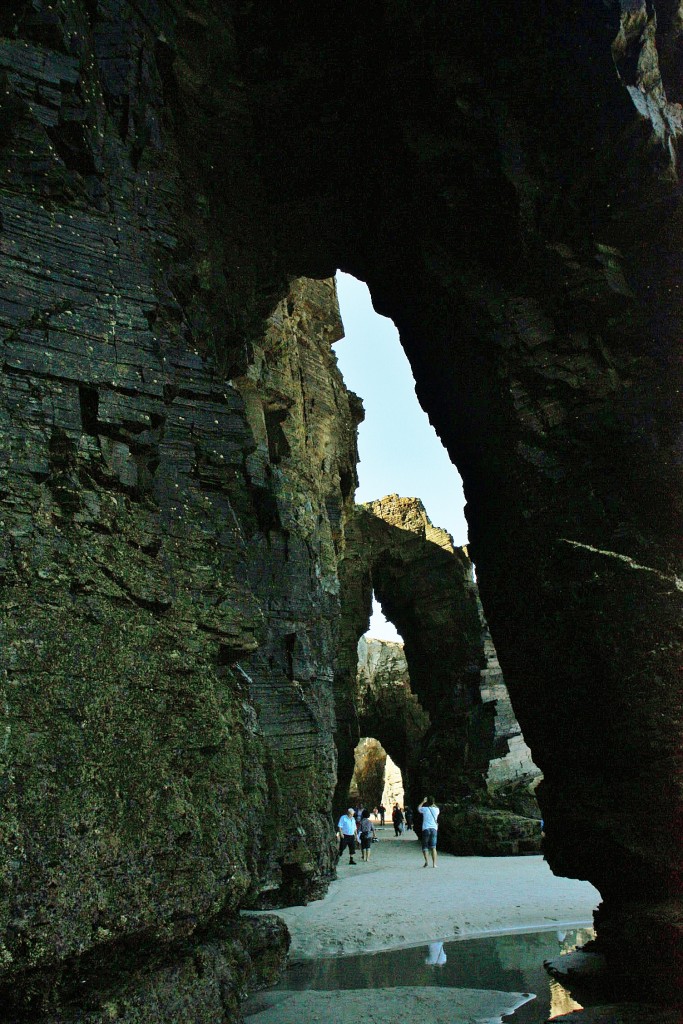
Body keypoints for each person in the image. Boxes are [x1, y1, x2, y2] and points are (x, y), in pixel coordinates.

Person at [418, 795, 439, 867]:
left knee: (425, 846)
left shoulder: (424, 809)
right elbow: (436, 807)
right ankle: (434, 864)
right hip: (434, 829)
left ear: (427, 802)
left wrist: (423, 802)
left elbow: (418, 808)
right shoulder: (436, 810)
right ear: (433, 802)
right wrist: (433, 803)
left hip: (426, 829)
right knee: (433, 847)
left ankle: (427, 862)